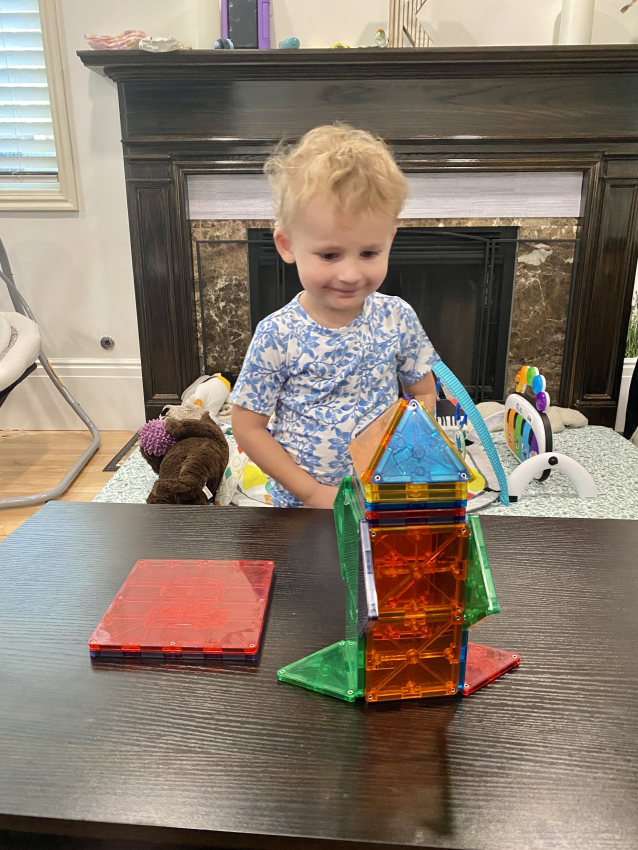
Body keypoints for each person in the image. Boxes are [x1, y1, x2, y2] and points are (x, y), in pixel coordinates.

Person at [231, 124, 439, 509]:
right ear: (287, 244)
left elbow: (423, 391)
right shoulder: (277, 333)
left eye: (369, 253)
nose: (350, 274)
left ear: (390, 239)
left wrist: (405, 453)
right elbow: (247, 427)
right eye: (329, 255)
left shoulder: (398, 317)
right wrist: (311, 492)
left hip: (380, 496)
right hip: (302, 508)